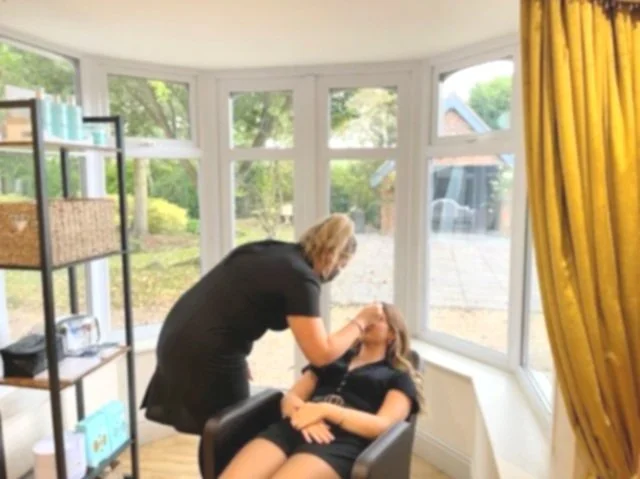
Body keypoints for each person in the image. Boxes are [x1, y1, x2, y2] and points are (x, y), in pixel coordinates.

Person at [141, 213, 384, 437]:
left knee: (223, 430)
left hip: (178, 335)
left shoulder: (269, 250)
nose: (337, 272)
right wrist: (361, 321)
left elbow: (229, 301)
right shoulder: (300, 278)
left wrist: (234, 349)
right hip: (205, 350)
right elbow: (320, 354)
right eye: (341, 265)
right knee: (230, 433)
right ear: (332, 256)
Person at [219, 302, 424, 479]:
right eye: (366, 315)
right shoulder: (332, 358)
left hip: (340, 442)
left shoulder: (398, 376)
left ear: (392, 334)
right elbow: (292, 397)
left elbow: (384, 425)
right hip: (296, 425)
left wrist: (326, 410)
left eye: (378, 318)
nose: (368, 320)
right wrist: (307, 418)